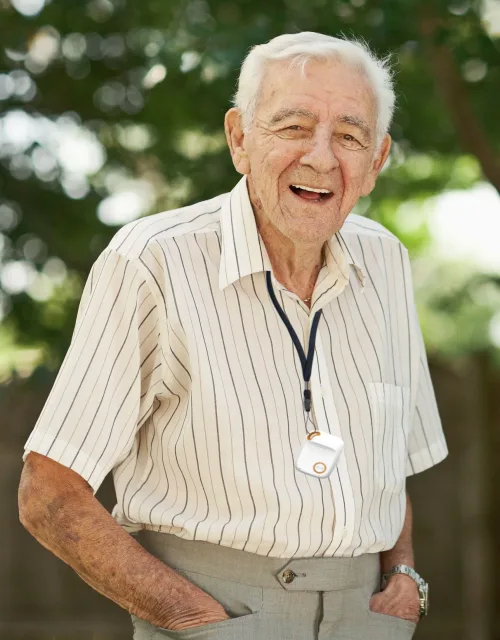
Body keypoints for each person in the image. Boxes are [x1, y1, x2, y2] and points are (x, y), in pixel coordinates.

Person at [18, 32, 448, 640]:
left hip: (368, 621)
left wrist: (404, 578)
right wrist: (193, 620)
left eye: (349, 137)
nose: (322, 158)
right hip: (216, 617)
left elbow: (392, 460)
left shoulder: (387, 262)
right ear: (239, 138)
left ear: (377, 161)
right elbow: (49, 494)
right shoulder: (152, 262)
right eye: (293, 126)